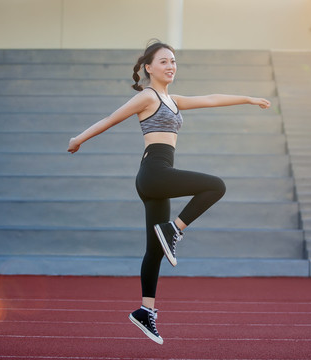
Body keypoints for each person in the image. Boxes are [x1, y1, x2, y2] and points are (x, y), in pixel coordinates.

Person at [67, 40, 271, 344]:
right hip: (154, 173)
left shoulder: (172, 99)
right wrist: (78, 138)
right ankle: (174, 229)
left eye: (173, 61)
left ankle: (144, 310)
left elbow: (212, 98)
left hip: (156, 177)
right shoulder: (148, 96)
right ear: (149, 67)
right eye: (164, 61)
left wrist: (249, 98)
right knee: (216, 185)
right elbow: (111, 119)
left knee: (154, 249)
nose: (171, 66)